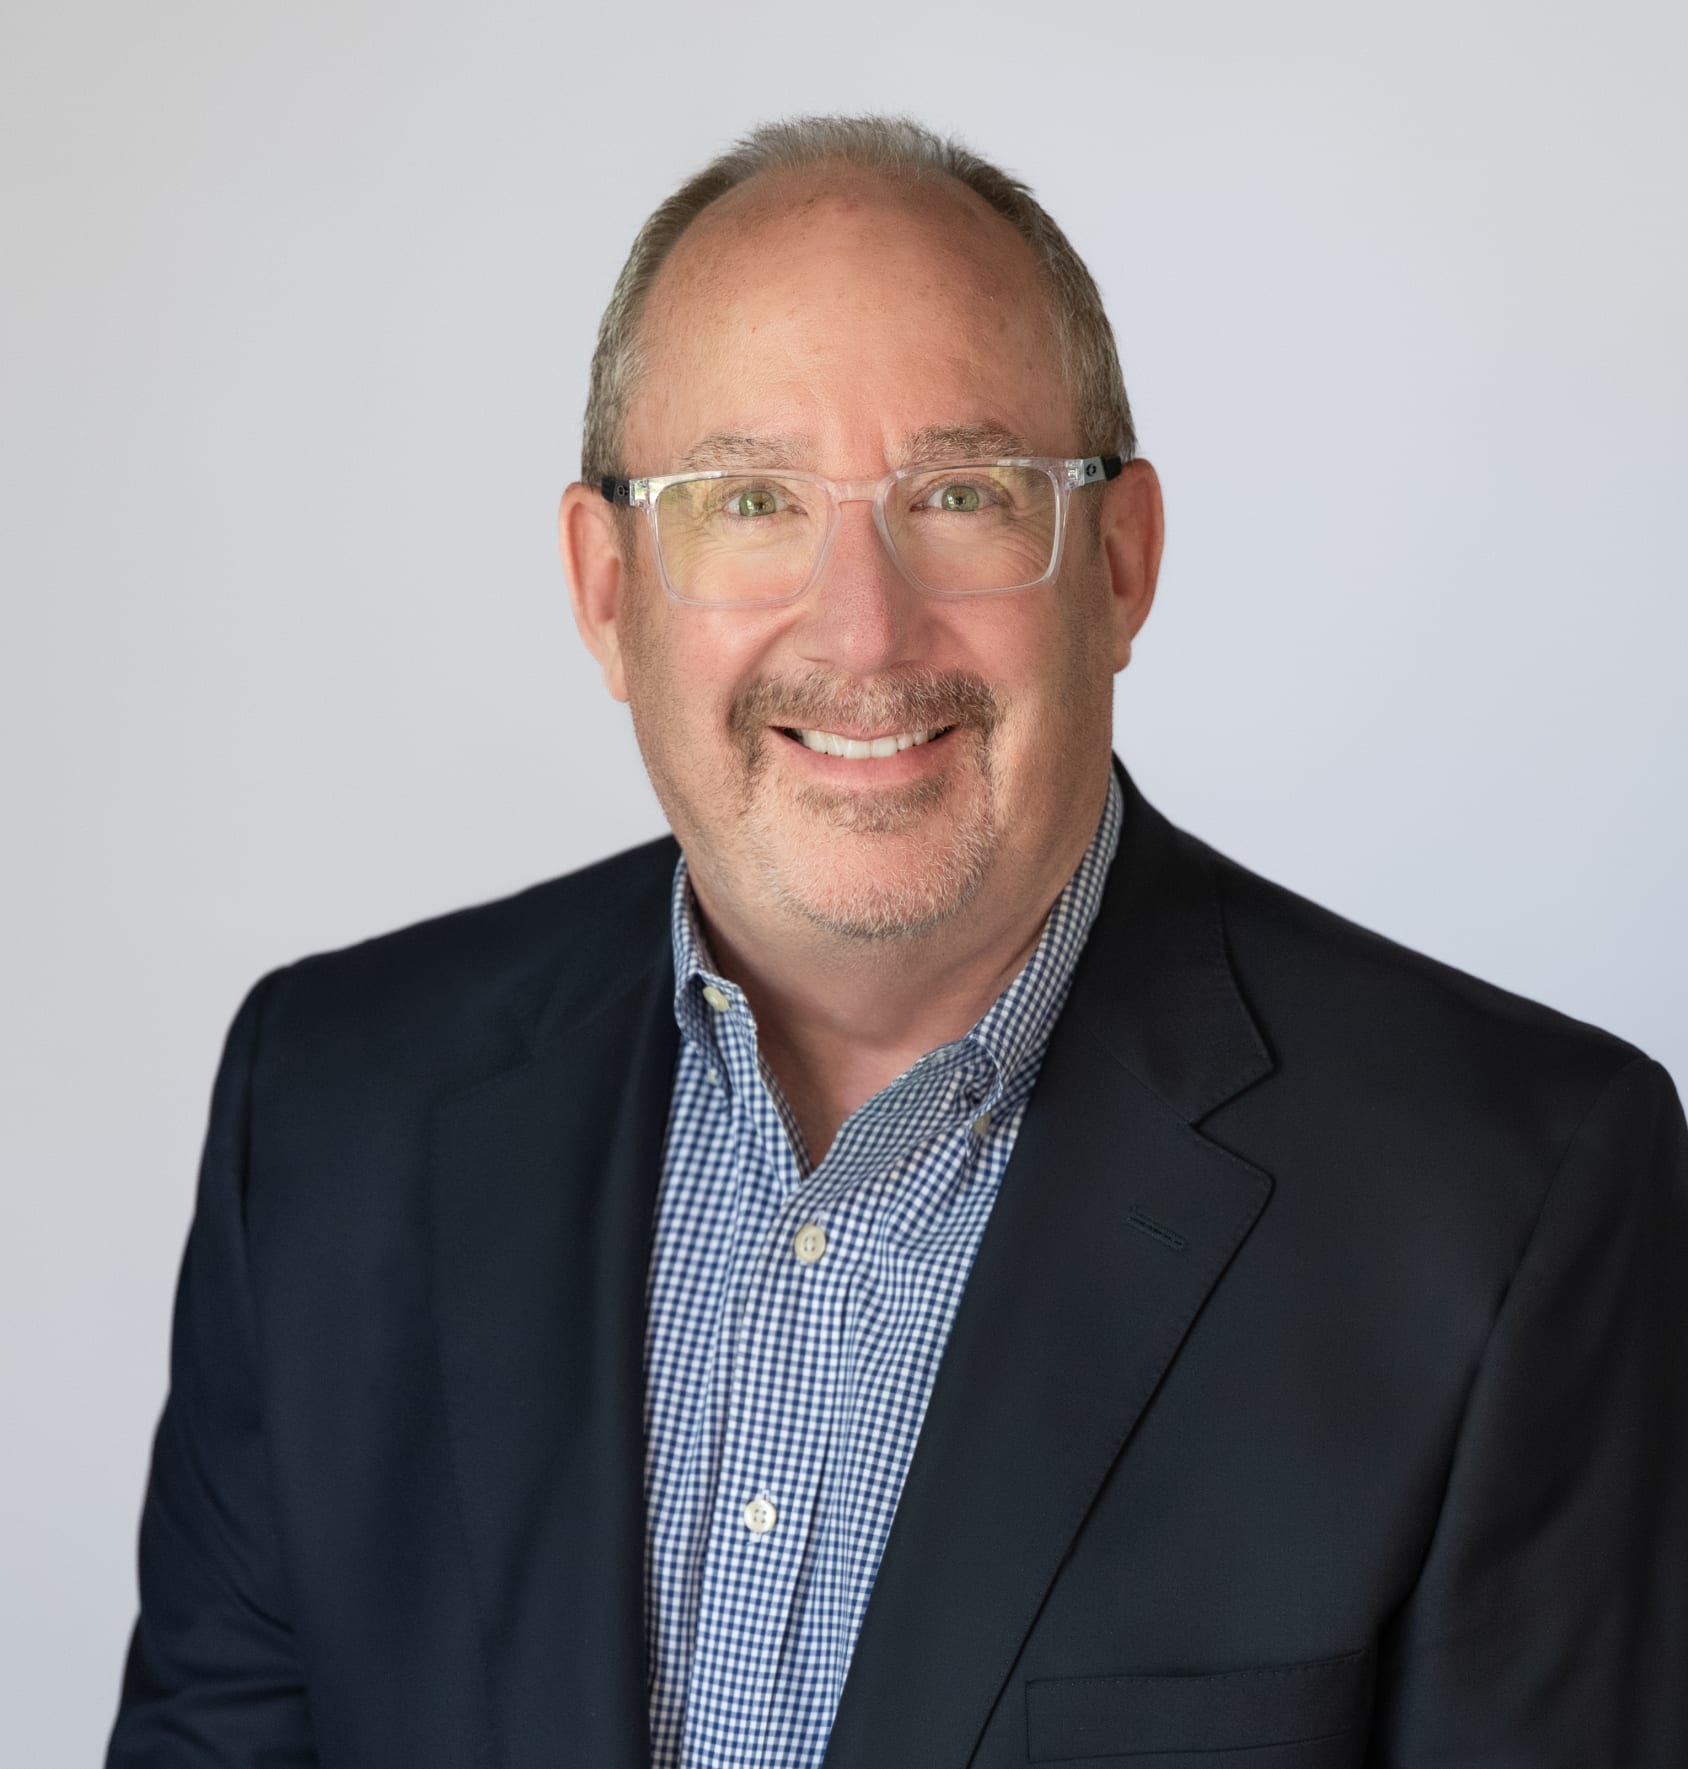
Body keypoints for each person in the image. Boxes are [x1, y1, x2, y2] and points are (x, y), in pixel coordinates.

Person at [107, 115, 1687, 1769]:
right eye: (749, 500)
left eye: (963, 494)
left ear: (1122, 563)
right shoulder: (331, 1107)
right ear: (607, 589)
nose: (863, 630)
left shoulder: (1508, 1200)